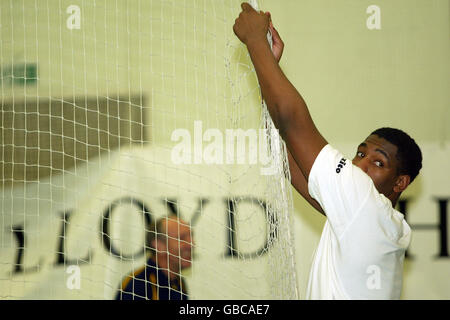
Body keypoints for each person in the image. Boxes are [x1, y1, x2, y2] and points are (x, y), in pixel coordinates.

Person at [233, 3, 422, 299]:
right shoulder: (375, 221)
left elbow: (292, 122)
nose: (361, 166)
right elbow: (285, 155)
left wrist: (256, 42)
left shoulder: (365, 203)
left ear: (400, 183)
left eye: (378, 162)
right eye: (360, 154)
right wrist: (269, 69)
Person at [116, 215, 193, 300]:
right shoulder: (138, 285)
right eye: (181, 238)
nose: (191, 244)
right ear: (158, 246)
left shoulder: (179, 283)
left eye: (191, 237)